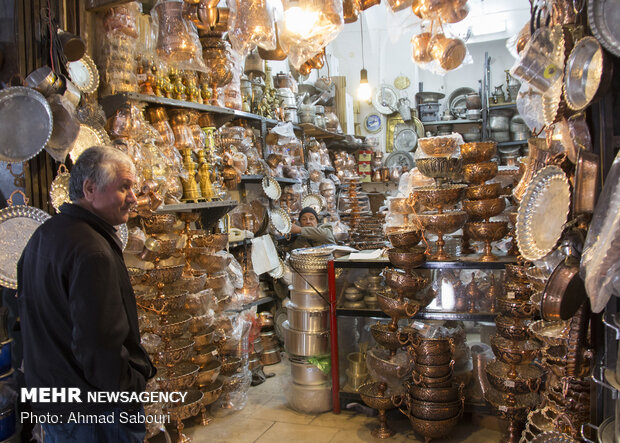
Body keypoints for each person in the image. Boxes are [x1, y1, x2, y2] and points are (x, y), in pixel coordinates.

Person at [17, 146, 155, 442]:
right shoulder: (92, 251)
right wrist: (131, 388)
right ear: (90, 188)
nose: (133, 197)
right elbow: (100, 346)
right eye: (124, 187)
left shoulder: (45, 234)